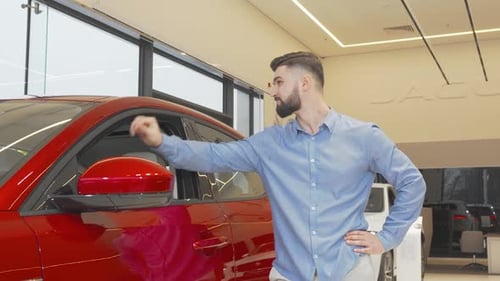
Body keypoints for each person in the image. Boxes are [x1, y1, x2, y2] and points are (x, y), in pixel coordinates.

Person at [130, 51, 426, 281]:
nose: (272, 90)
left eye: (280, 82)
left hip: (349, 270)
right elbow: (213, 156)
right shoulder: (269, 144)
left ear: (305, 83)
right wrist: (160, 141)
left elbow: (412, 182)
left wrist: (386, 238)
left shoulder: (364, 137)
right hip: (288, 273)